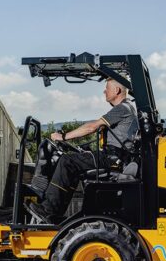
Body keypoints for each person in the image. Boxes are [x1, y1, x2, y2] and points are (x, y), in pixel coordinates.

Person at [28, 78, 139, 223]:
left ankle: (48, 210)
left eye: (107, 88)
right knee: (74, 164)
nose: (104, 91)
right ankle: (54, 214)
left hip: (111, 158)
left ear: (117, 91)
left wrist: (63, 137)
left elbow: (91, 127)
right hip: (114, 157)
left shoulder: (123, 108)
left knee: (67, 162)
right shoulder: (127, 108)